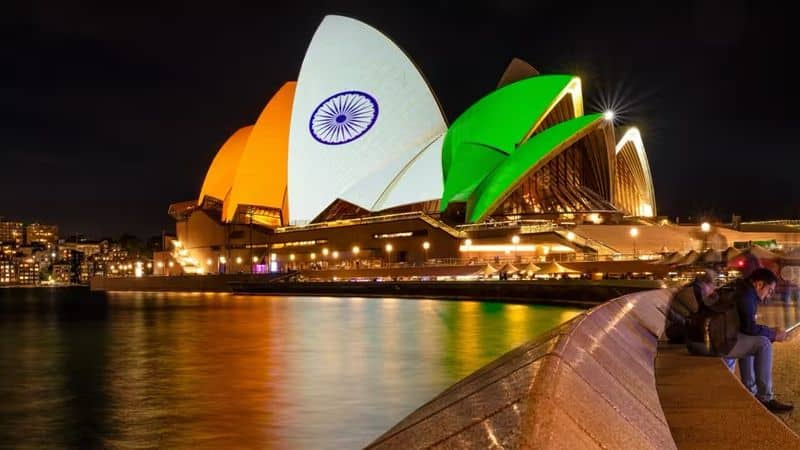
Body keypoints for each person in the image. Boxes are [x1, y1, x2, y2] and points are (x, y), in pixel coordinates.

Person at [725, 268, 793, 413]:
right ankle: (765, 398)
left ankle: (751, 391)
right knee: (763, 344)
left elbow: (747, 328)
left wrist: (770, 331)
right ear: (759, 284)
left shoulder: (742, 289)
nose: (770, 294)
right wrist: (773, 335)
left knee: (756, 340)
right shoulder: (746, 295)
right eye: (769, 290)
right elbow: (749, 328)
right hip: (720, 343)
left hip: (718, 338)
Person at [665, 269, 717, 343]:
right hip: (675, 330)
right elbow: (702, 311)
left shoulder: (692, 287)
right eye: (712, 283)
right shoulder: (696, 290)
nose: (713, 286)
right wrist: (714, 299)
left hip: (672, 329)